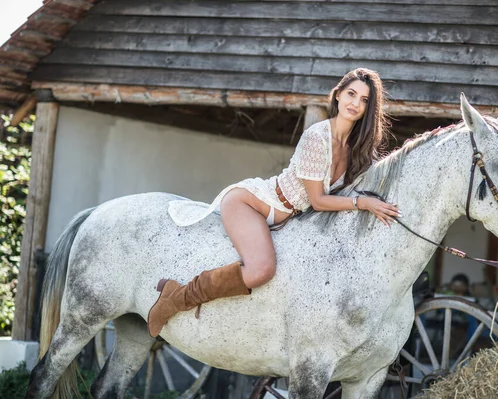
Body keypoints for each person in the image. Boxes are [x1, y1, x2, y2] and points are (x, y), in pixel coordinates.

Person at [147, 68, 402, 337]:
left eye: (364, 100)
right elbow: (317, 200)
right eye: (351, 94)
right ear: (337, 95)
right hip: (253, 203)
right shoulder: (318, 137)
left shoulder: (357, 148)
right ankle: (176, 297)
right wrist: (362, 203)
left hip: (288, 217)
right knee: (261, 271)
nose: (355, 103)